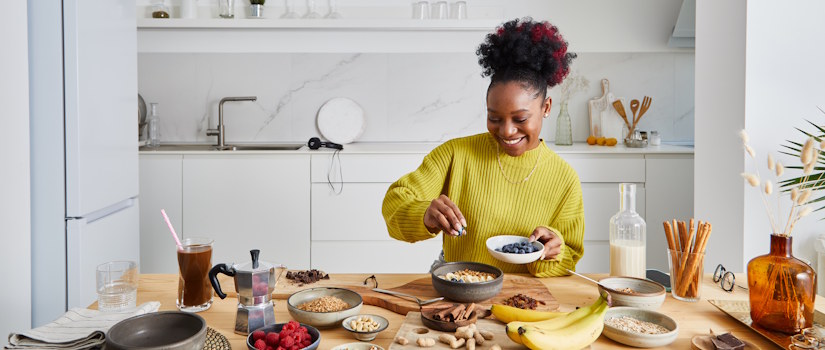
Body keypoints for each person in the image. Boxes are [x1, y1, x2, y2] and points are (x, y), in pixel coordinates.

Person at [381, 18, 584, 277]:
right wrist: (425, 214)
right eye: (494, 118)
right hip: (457, 288)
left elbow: (570, 261)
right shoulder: (455, 155)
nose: (507, 131)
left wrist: (553, 250)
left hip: (523, 298)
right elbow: (395, 204)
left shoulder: (564, 178)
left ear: (546, 108)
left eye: (520, 119)